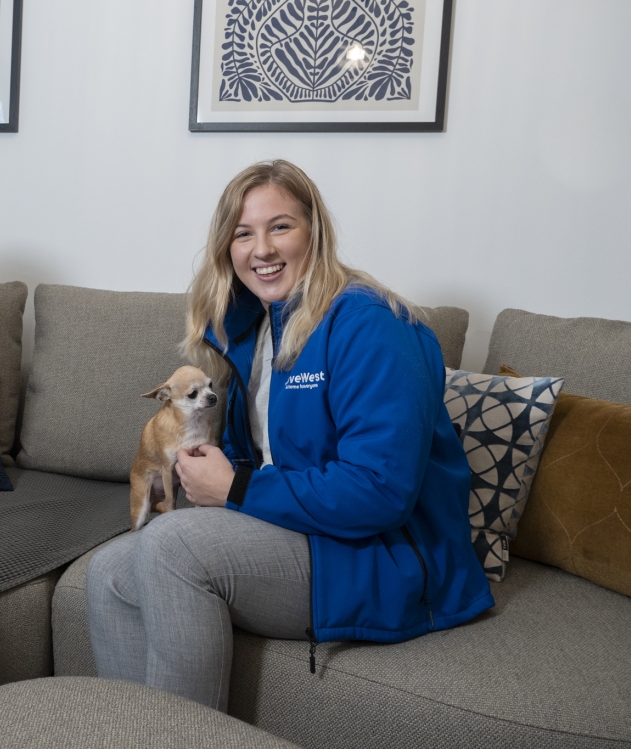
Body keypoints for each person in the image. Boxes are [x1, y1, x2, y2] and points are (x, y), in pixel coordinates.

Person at [86, 160, 493, 711]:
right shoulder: (255, 327)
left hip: (378, 553)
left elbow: (381, 491)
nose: (262, 250)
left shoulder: (373, 326)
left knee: (169, 545)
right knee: (110, 569)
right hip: (293, 525)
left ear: (314, 232)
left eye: (280, 226)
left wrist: (237, 490)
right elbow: (261, 451)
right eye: (243, 233)